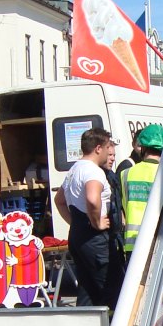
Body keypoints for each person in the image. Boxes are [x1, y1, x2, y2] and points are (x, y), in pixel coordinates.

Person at [53, 128, 125, 309]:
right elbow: (93, 200)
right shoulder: (93, 171)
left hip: (78, 235)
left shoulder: (74, 169)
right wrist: (96, 222)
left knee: (88, 290)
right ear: (98, 148)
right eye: (108, 147)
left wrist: (77, 224)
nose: (110, 152)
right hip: (95, 238)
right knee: (112, 289)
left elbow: (59, 201)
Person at [120, 124, 163, 255]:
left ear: (143, 147)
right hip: (157, 241)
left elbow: (123, 206)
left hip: (132, 243)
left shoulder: (126, 173)